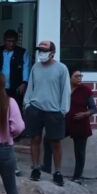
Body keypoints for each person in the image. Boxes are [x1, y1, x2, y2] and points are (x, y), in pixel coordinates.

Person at [23, 40, 69, 186]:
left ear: (52, 53)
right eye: (40, 51)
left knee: (55, 142)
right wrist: (27, 103)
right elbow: (31, 85)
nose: (41, 54)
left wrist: (63, 110)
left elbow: (65, 90)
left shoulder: (61, 68)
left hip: (54, 110)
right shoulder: (36, 67)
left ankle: (58, 171)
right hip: (35, 108)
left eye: (44, 51)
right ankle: (36, 168)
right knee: (35, 139)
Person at [41, 70, 97, 183]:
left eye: (81, 76)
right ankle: (47, 169)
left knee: (80, 151)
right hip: (64, 122)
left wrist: (85, 114)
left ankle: (77, 176)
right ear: (69, 77)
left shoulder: (85, 90)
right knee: (48, 140)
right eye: (76, 76)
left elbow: (94, 108)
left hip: (80, 124)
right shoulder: (62, 89)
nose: (79, 78)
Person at [0, 29, 29, 108]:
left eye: (13, 41)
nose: (11, 44)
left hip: (16, 88)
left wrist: (24, 83)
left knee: (15, 108)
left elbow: (26, 68)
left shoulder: (22, 52)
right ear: (4, 40)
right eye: (9, 41)